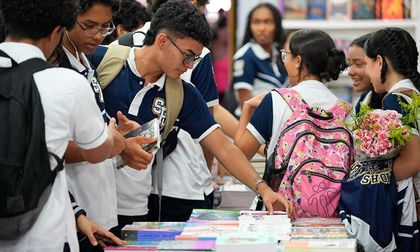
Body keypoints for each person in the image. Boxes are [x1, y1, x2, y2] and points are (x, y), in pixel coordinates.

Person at [89, 0, 294, 229]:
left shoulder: (182, 94)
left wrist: (264, 190)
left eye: (194, 59)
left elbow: (223, 148)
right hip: (87, 205)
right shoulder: (100, 62)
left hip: (134, 208)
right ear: (162, 40)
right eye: (187, 55)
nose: (189, 66)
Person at [0, 0, 118, 251]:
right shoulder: (67, 83)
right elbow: (98, 152)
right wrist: (113, 136)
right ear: (56, 32)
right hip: (44, 233)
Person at [59, 0, 155, 250]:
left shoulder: (86, 60)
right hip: (74, 212)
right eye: (89, 26)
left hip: (97, 208)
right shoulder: (57, 66)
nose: (98, 35)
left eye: (105, 27)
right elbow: (50, 147)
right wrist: (113, 144)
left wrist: (116, 137)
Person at [234, 29, 348, 211]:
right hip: (332, 216)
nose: (283, 60)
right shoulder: (345, 110)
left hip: (282, 212)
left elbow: (238, 155)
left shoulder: (275, 100)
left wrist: (247, 108)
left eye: (286, 55)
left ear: (298, 61)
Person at [364, 27, 420, 251]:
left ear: (379, 61)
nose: (368, 73)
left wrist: (367, 177)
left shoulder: (396, 99)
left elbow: (413, 160)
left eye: (367, 64)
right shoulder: (414, 93)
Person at [231, 2, 287, 117]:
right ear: (249, 26)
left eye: (268, 22)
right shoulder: (245, 56)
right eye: (256, 22)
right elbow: (245, 106)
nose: (262, 28)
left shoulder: (280, 53)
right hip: (254, 125)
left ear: (277, 25)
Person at [347, 33, 385, 113]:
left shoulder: (394, 101)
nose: (350, 72)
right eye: (349, 64)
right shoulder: (366, 97)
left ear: (379, 63)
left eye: (358, 64)